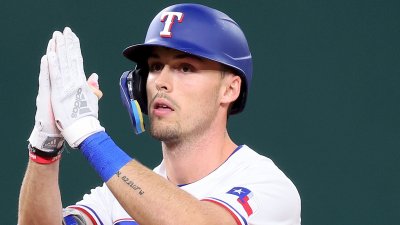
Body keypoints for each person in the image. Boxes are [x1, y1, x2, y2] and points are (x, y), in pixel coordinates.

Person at [18, 3, 301, 225]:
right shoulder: (118, 197)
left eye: (185, 67)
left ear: (230, 89)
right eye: (154, 67)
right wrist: (46, 146)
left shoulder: (266, 186)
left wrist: (88, 133)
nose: (161, 82)